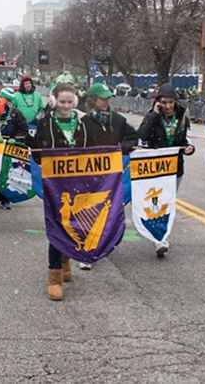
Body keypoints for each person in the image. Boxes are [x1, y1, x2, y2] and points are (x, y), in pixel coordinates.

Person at [31, 83, 87, 301]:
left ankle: (66, 259)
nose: (66, 106)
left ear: (75, 102)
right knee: (56, 225)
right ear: (55, 101)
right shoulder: (45, 122)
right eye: (62, 101)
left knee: (74, 224)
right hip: (54, 183)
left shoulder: (83, 123)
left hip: (78, 182)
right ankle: (54, 276)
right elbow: (33, 146)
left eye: (69, 102)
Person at [77, 82, 139, 270]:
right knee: (89, 210)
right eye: (102, 98)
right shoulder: (84, 122)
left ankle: (105, 241)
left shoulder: (118, 120)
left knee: (110, 209)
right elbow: (76, 145)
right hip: (90, 173)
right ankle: (87, 253)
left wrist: (122, 148)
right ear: (92, 100)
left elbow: (133, 137)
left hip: (112, 173)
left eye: (107, 98)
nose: (105, 102)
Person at [137, 83, 195, 258]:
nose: (168, 106)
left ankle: (163, 235)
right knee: (156, 203)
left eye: (171, 102)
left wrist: (189, 148)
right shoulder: (152, 116)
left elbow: (186, 138)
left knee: (168, 202)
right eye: (164, 102)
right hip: (155, 168)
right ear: (158, 102)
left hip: (175, 166)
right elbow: (142, 135)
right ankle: (159, 239)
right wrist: (154, 114)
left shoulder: (183, 115)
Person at [0, 88, 28, 210]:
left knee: (5, 172)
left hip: (9, 146)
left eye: (6, 100)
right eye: (2, 99)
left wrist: (15, 139)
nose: (3, 101)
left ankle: (5, 199)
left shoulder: (16, 114)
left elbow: (23, 129)